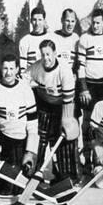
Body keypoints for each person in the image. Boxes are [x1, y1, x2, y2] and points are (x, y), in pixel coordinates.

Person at [0, 54, 39, 197]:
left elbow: (32, 123)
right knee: (3, 188)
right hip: (3, 140)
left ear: (17, 69)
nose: (8, 72)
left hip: (20, 141)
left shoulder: (25, 89)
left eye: (12, 68)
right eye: (5, 68)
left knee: (18, 186)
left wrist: (31, 151)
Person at [27, 39, 80, 184]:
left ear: (55, 54)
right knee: (40, 139)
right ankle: (35, 175)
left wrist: (67, 121)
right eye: (43, 54)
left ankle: (67, 176)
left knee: (64, 138)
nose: (46, 58)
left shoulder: (64, 70)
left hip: (63, 106)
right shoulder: (36, 67)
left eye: (49, 54)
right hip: (44, 105)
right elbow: (23, 81)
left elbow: (69, 99)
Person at [77, 8, 103, 173]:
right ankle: (87, 158)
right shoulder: (84, 38)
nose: (95, 25)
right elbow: (80, 66)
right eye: (93, 22)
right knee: (87, 121)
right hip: (90, 85)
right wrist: (84, 89)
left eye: (98, 23)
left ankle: (101, 159)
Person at [19, 7, 51, 77]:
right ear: (30, 21)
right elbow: (23, 68)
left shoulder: (51, 38)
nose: (37, 23)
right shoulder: (25, 41)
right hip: (31, 80)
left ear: (44, 21)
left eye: (40, 20)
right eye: (34, 20)